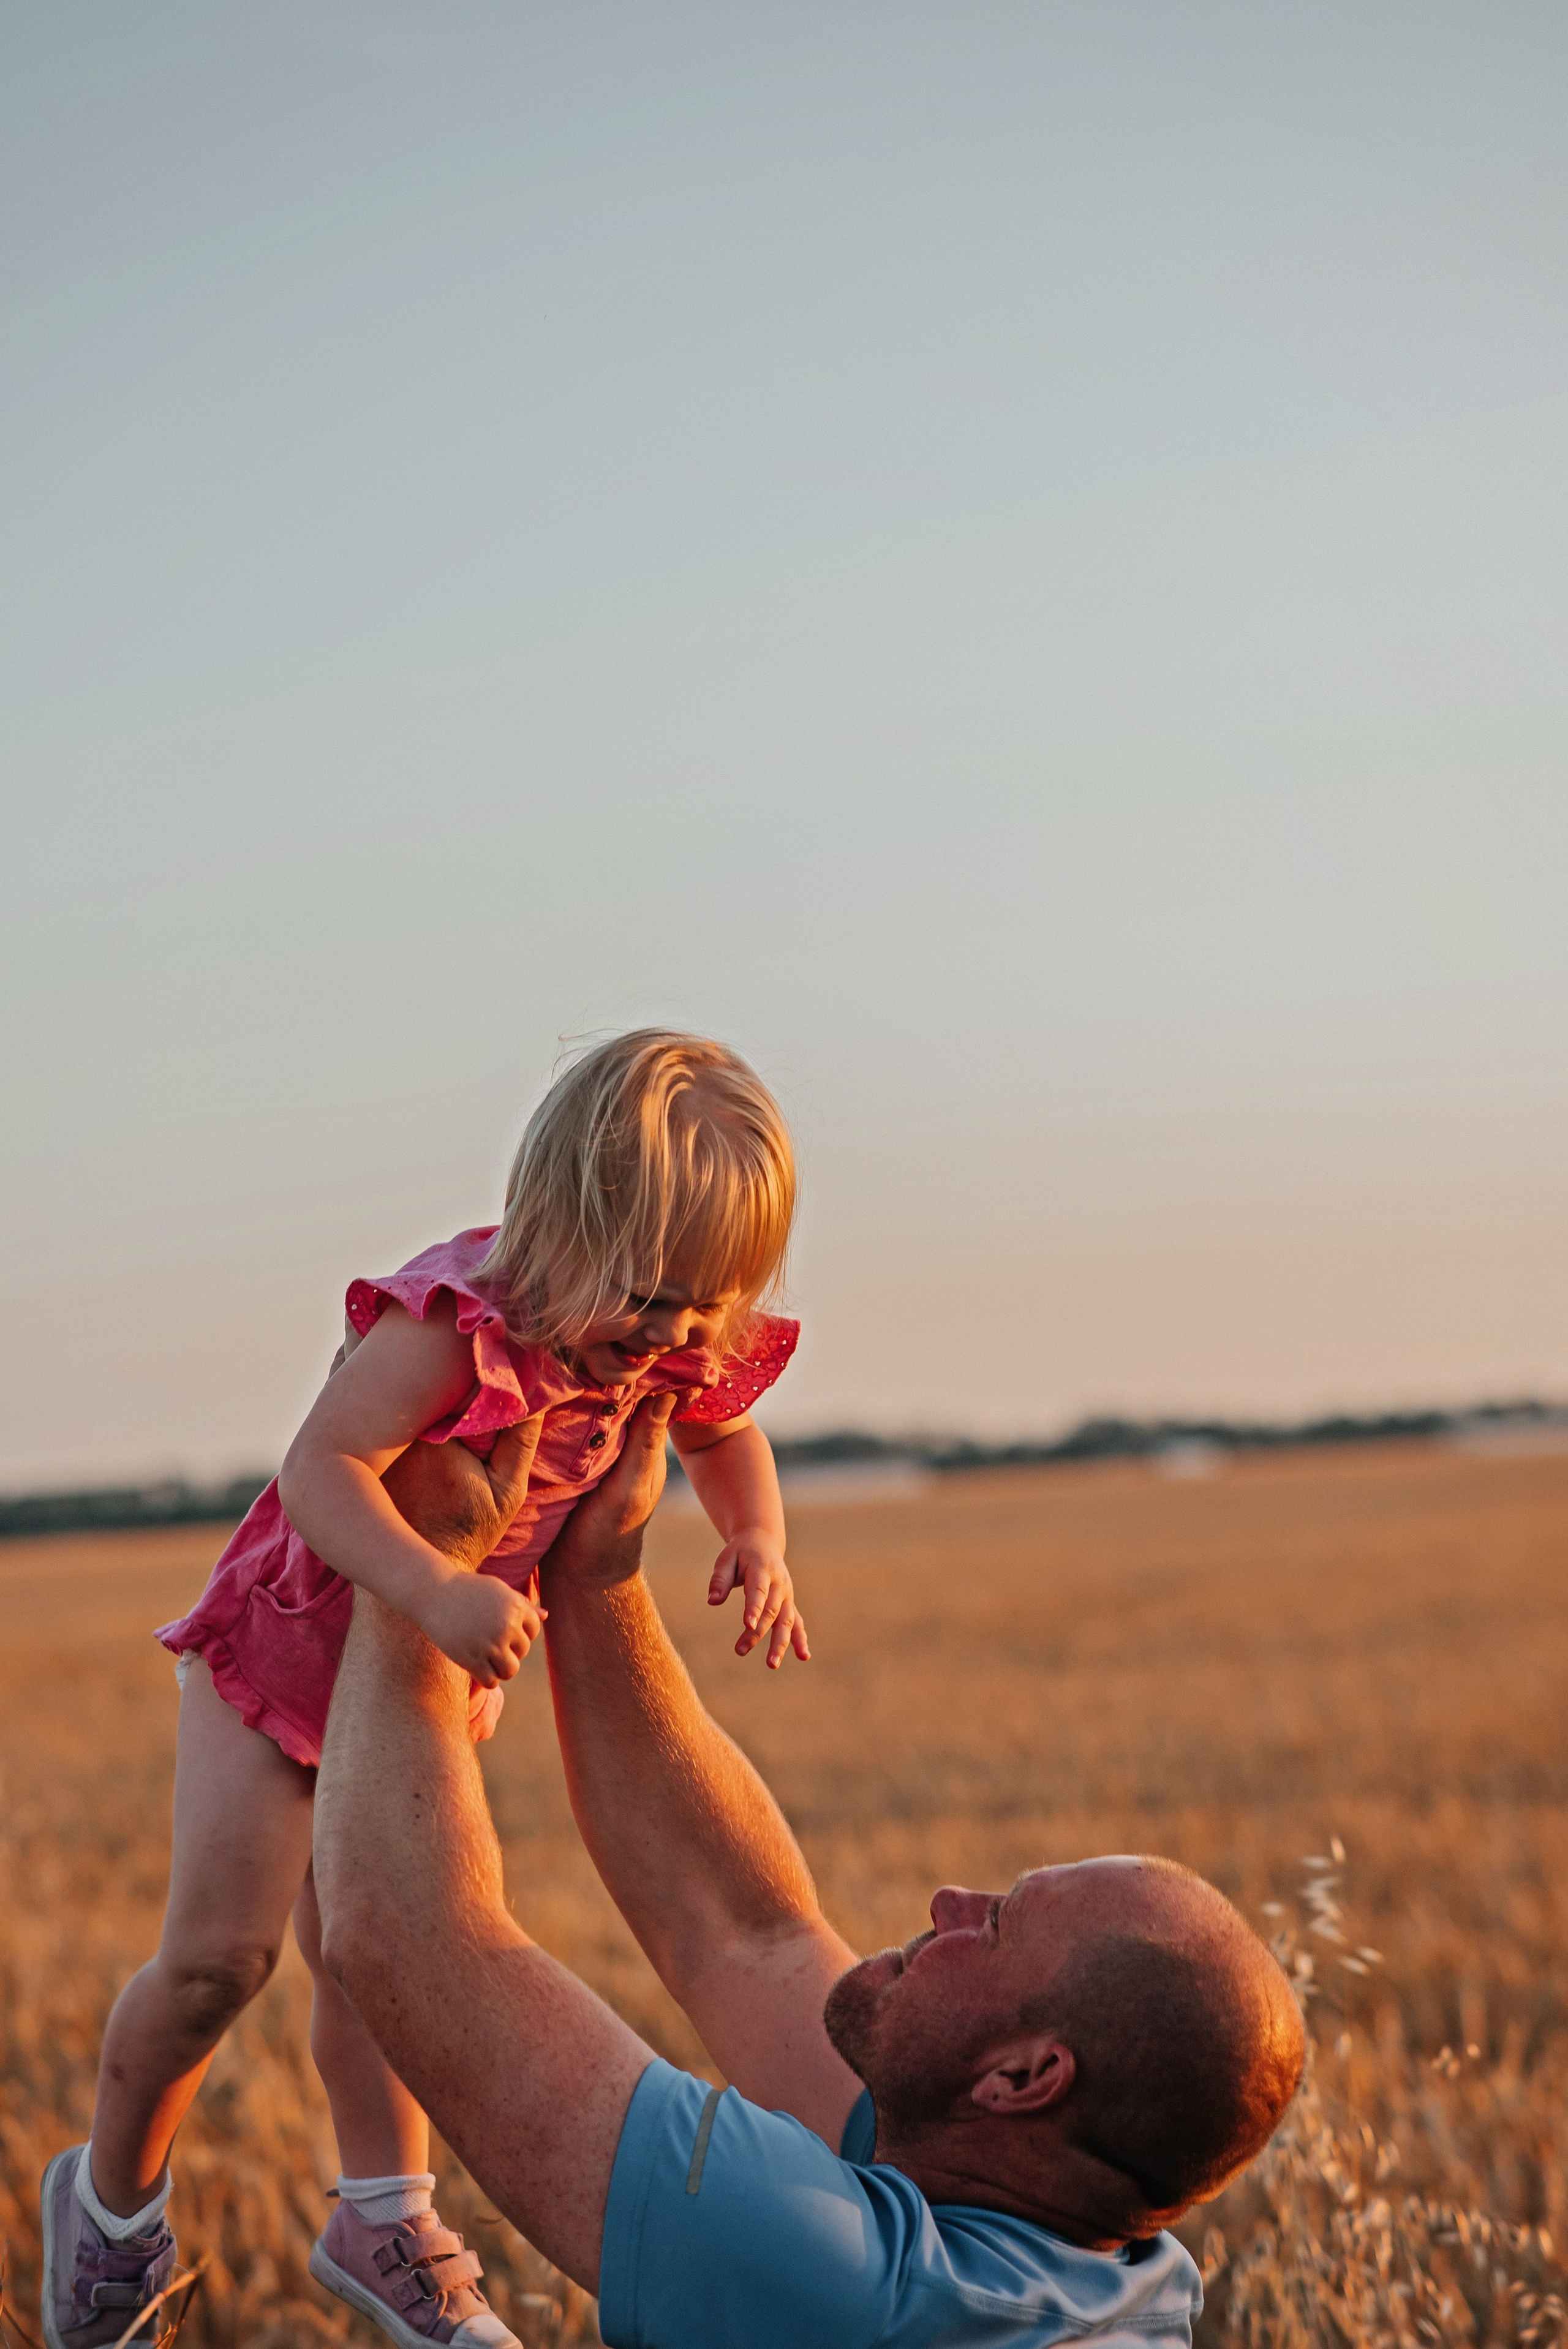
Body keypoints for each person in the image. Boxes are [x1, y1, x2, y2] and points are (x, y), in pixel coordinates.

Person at [40, 1031, 807, 2349]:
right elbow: (318, 1468)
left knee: (380, 1960)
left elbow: (727, 1429)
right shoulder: (452, 1328)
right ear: (562, 1224)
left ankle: (381, 2217)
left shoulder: (666, 1342)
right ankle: (109, 2206)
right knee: (221, 1962)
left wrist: (757, 1538)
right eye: (650, 1298)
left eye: (703, 1308)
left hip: (417, 1698)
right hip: (280, 1662)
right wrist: (435, 1590)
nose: (674, 1337)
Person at [304, 1392, 1308, 2349]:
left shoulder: (857, 2298)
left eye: (996, 1924)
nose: (950, 1903)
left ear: (1023, 2078)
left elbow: (412, 1936)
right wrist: (597, 1568)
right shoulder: (1091, 2255)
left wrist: (426, 1566)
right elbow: (744, 1935)